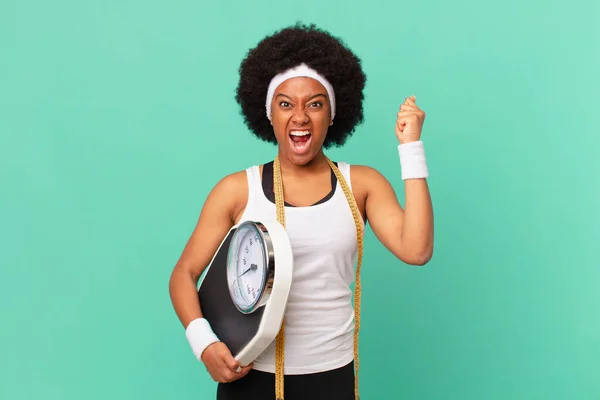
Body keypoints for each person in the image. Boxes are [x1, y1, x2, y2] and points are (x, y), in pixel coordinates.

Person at [168, 23, 434, 400]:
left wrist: (410, 148)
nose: (300, 117)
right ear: (269, 114)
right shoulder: (235, 191)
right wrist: (204, 343)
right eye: (285, 103)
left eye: (314, 103)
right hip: (250, 377)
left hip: (332, 376)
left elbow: (417, 250)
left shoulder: (362, 185)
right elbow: (184, 274)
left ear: (331, 114)